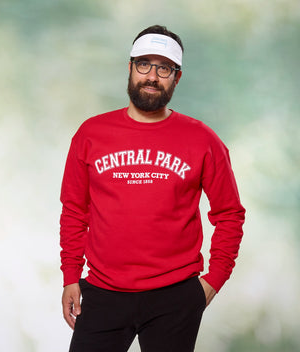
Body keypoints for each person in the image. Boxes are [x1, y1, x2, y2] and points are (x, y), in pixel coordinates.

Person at [59, 25, 245, 352]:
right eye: (144, 64)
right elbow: (75, 210)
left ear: (177, 77)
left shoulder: (203, 140)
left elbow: (229, 214)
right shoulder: (91, 134)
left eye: (164, 68)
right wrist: (71, 275)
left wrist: (213, 280)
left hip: (175, 295)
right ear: (129, 67)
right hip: (104, 291)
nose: (152, 76)